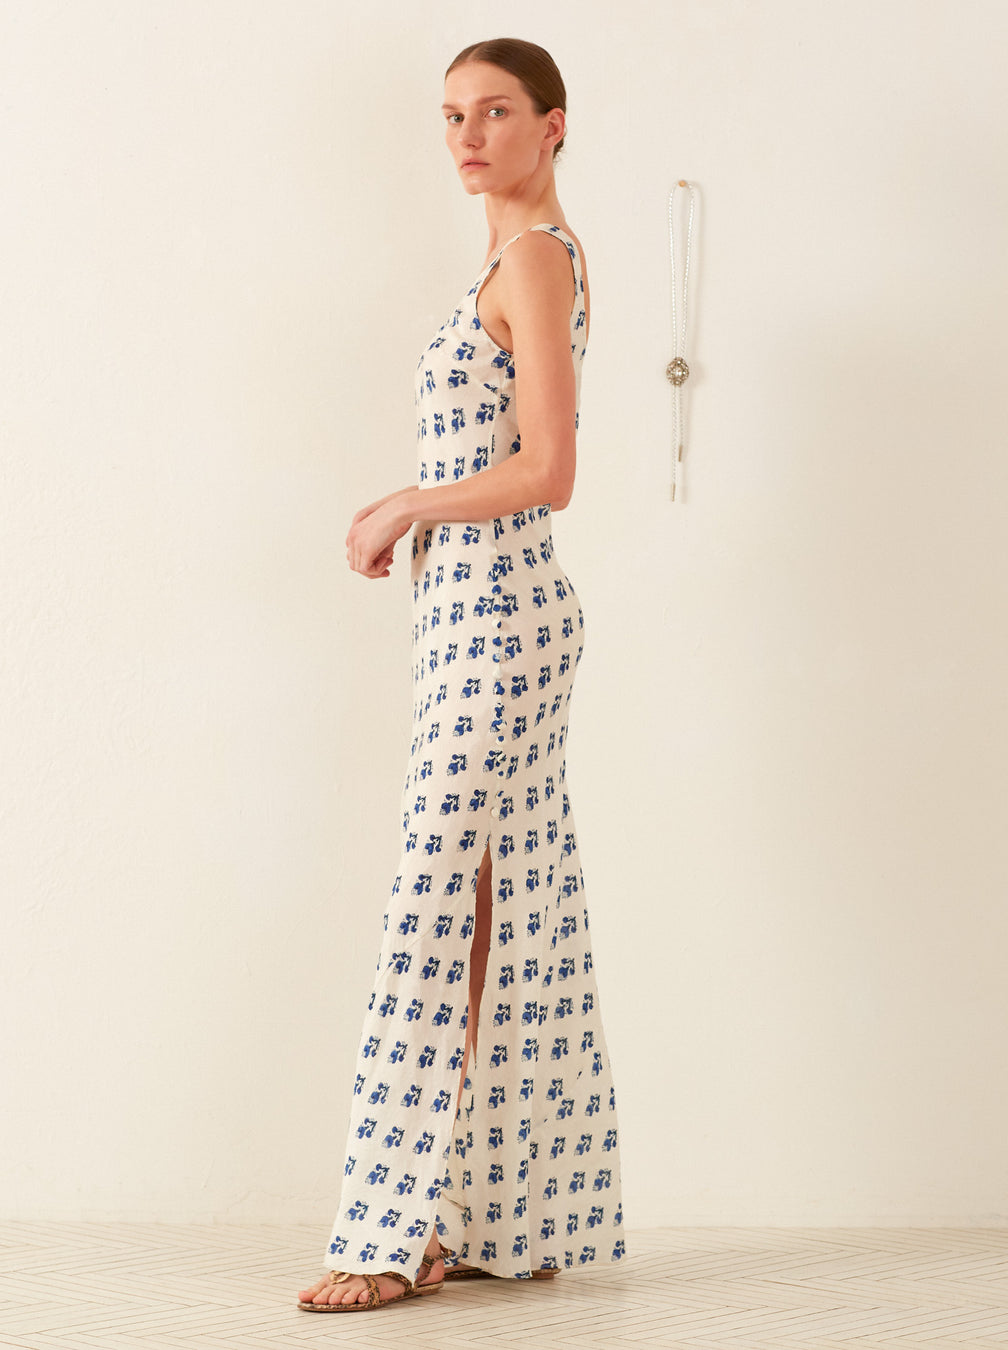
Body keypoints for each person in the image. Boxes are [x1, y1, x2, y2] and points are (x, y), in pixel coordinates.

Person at [298, 37, 626, 1314]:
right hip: (475, 618)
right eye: (451, 116)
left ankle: (385, 1233)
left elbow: (550, 469)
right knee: (497, 917)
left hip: (500, 617)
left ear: (553, 126)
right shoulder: (506, 261)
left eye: (494, 112)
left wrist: (405, 506)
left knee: (436, 913)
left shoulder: (537, 259)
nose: (467, 136)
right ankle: (487, 1217)